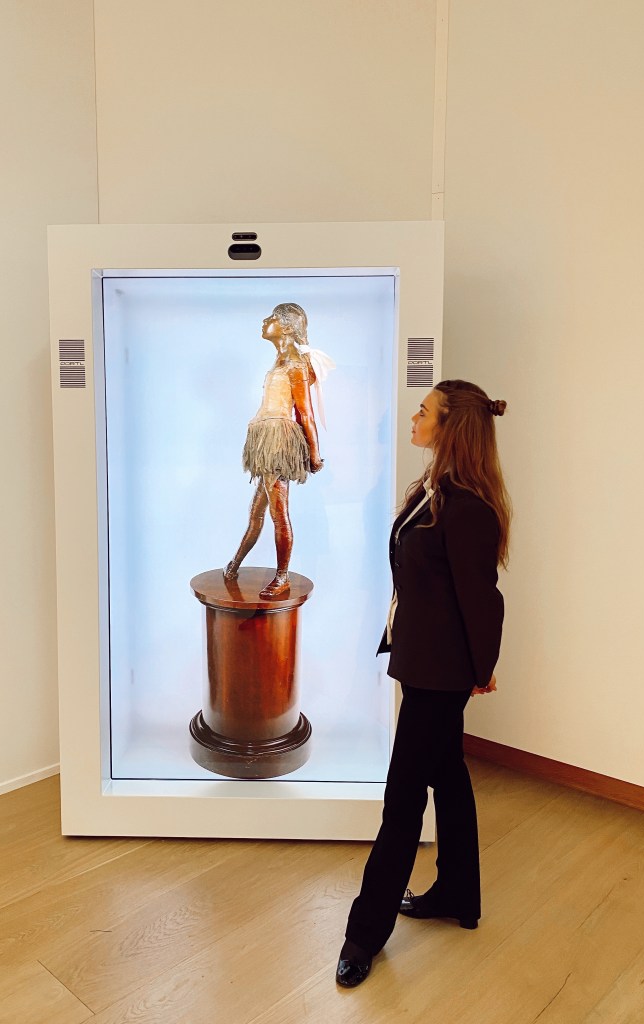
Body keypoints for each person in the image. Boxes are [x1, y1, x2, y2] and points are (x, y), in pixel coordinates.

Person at [336, 379, 511, 988]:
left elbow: (482, 600)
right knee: (448, 773)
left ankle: (365, 933)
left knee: (403, 797)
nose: (413, 416)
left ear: (449, 427)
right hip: (423, 660)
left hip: (442, 674)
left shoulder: (468, 509)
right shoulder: (434, 490)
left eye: (424, 411)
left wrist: (481, 669)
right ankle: (460, 892)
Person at [224, 302, 329, 600]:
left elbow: (304, 413)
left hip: (277, 443)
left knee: (278, 513)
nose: (264, 321)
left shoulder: (295, 364)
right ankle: (233, 565)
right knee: (256, 511)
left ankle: (281, 577)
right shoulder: (281, 361)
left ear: (285, 326)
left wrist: (314, 453)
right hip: (267, 441)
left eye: (271, 317)